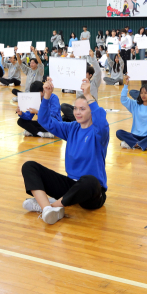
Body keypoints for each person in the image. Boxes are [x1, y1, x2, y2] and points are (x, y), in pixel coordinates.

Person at [21, 78, 109, 225]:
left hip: (92, 193)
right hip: (70, 186)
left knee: (90, 180)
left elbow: (101, 120)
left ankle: (52, 206)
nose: (77, 112)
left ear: (91, 111)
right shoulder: (71, 128)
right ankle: (47, 208)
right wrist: (47, 95)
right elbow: (45, 121)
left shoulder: (99, 132)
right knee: (29, 166)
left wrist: (88, 95)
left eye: (82, 109)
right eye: (75, 108)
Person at [117, 72, 147, 150]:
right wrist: (126, 85)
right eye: (141, 93)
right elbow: (123, 99)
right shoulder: (135, 104)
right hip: (135, 135)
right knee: (119, 132)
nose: (143, 95)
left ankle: (134, 144)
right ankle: (141, 144)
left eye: (146, 93)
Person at [62, 51, 102, 122]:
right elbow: (71, 71)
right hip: (79, 109)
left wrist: (93, 57)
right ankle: (77, 120)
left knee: (65, 118)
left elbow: (98, 71)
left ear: (90, 75)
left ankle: (79, 121)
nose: (82, 74)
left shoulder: (94, 83)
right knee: (63, 107)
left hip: (89, 110)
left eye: (85, 73)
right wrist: (72, 59)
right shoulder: (78, 82)